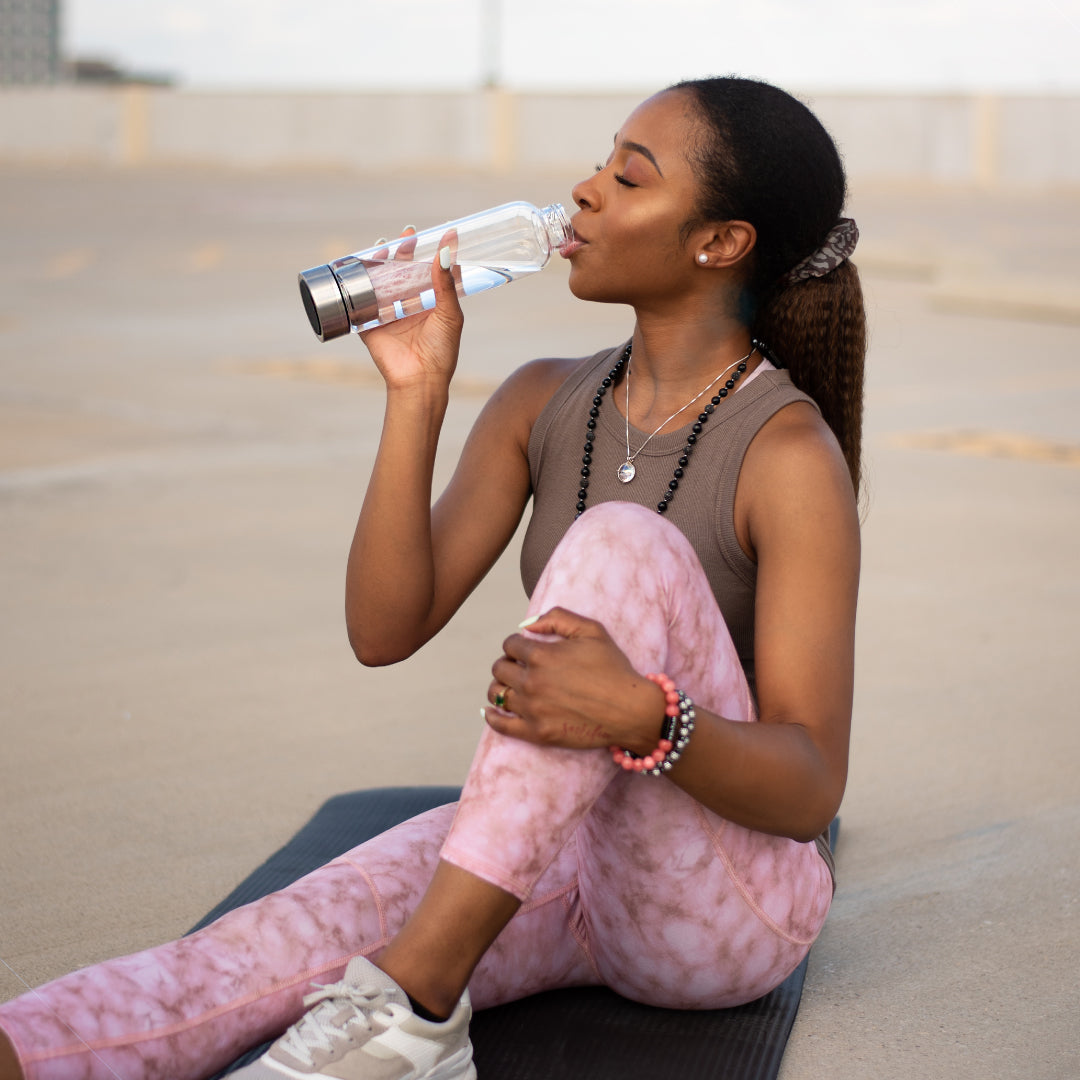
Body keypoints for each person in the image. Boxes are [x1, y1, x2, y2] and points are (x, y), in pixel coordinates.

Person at [0, 75, 864, 1080]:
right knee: (251, 953)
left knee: (619, 541)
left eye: (627, 179)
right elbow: (384, 629)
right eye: (598, 163)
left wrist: (644, 717)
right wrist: (418, 393)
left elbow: (809, 788)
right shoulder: (543, 399)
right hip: (547, 865)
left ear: (721, 242)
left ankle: (412, 1007)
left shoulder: (787, 453)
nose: (583, 193)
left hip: (715, 909)